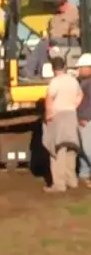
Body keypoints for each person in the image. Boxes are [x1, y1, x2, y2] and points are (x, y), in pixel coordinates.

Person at [42, 55, 83, 193]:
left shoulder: (55, 82)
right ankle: (71, 181)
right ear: (65, 67)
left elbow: (49, 98)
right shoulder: (73, 81)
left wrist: (48, 115)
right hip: (71, 115)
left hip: (59, 116)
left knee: (58, 150)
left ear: (53, 69)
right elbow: (80, 95)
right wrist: (73, 106)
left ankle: (59, 185)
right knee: (71, 149)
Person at [23, 0, 81, 77]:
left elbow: (77, 28)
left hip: (69, 40)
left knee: (43, 44)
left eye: (61, 5)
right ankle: (38, 72)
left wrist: (71, 33)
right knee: (44, 46)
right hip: (55, 40)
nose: (59, 7)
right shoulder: (55, 16)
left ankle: (29, 71)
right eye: (57, 5)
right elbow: (51, 29)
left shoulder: (74, 13)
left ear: (66, 3)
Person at [77, 54, 91, 187]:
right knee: (82, 148)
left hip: (87, 120)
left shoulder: (89, 83)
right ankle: (83, 173)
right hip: (84, 119)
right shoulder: (84, 82)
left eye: (81, 67)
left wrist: (85, 117)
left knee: (88, 148)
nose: (79, 70)